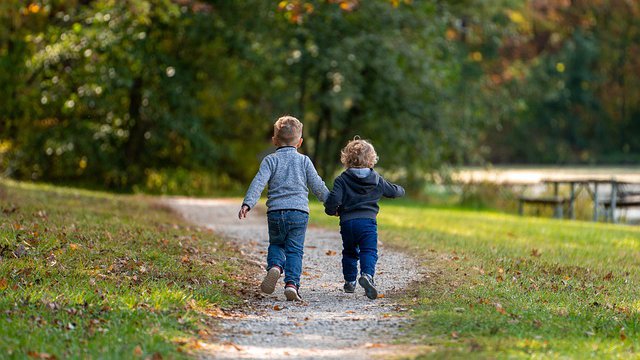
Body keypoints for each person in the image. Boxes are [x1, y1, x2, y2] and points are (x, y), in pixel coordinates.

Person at [238, 115, 329, 301]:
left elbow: (258, 183)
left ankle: (275, 267)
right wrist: (331, 204)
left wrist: (248, 203)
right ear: (300, 142)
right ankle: (292, 284)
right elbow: (317, 185)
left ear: (274, 140)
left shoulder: (270, 161)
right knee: (295, 250)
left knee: (277, 244)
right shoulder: (304, 161)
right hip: (299, 213)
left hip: (275, 212)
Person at [324, 137, 405, 300]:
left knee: (349, 251)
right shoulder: (376, 179)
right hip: (368, 223)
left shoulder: (342, 179)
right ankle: (367, 275)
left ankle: (350, 282)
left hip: (347, 223)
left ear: (346, 159)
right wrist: (401, 190)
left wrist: (332, 211)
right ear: (371, 160)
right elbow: (393, 191)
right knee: (369, 250)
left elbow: (333, 200)